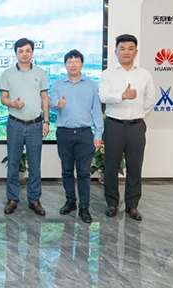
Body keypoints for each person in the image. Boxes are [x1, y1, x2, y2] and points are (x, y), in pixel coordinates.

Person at [99, 34, 155, 221]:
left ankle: (132, 205)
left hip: (136, 126)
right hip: (114, 126)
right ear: (115, 52)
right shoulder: (107, 74)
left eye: (130, 49)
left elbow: (150, 100)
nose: (126, 52)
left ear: (136, 52)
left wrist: (138, 113)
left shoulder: (144, 75)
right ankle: (112, 203)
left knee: (135, 167)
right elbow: (103, 97)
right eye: (122, 49)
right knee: (111, 166)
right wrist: (122, 96)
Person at [49, 49, 104, 223]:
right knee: (66, 170)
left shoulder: (91, 85)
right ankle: (70, 201)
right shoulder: (58, 84)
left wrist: (98, 133)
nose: (73, 65)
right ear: (65, 64)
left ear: (82, 64)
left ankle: (84, 207)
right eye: (70, 62)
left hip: (84, 133)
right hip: (64, 132)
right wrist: (58, 104)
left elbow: (97, 111)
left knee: (83, 172)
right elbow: (51, 104)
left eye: (76, 61)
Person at [0, 38, 49, 216]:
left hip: (35, 124)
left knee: (35, 165)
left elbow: (44, 98)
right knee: (13, 163)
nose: (24, 54)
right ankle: (12, 199)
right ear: (16, 53)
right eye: (20, 51)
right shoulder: (7, 74)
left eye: (28, 50)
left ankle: (34, 199)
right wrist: (12, 103)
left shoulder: (41, 73)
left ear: (32, 52)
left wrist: (46, 121)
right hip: (15, 124)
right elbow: (3, 98)